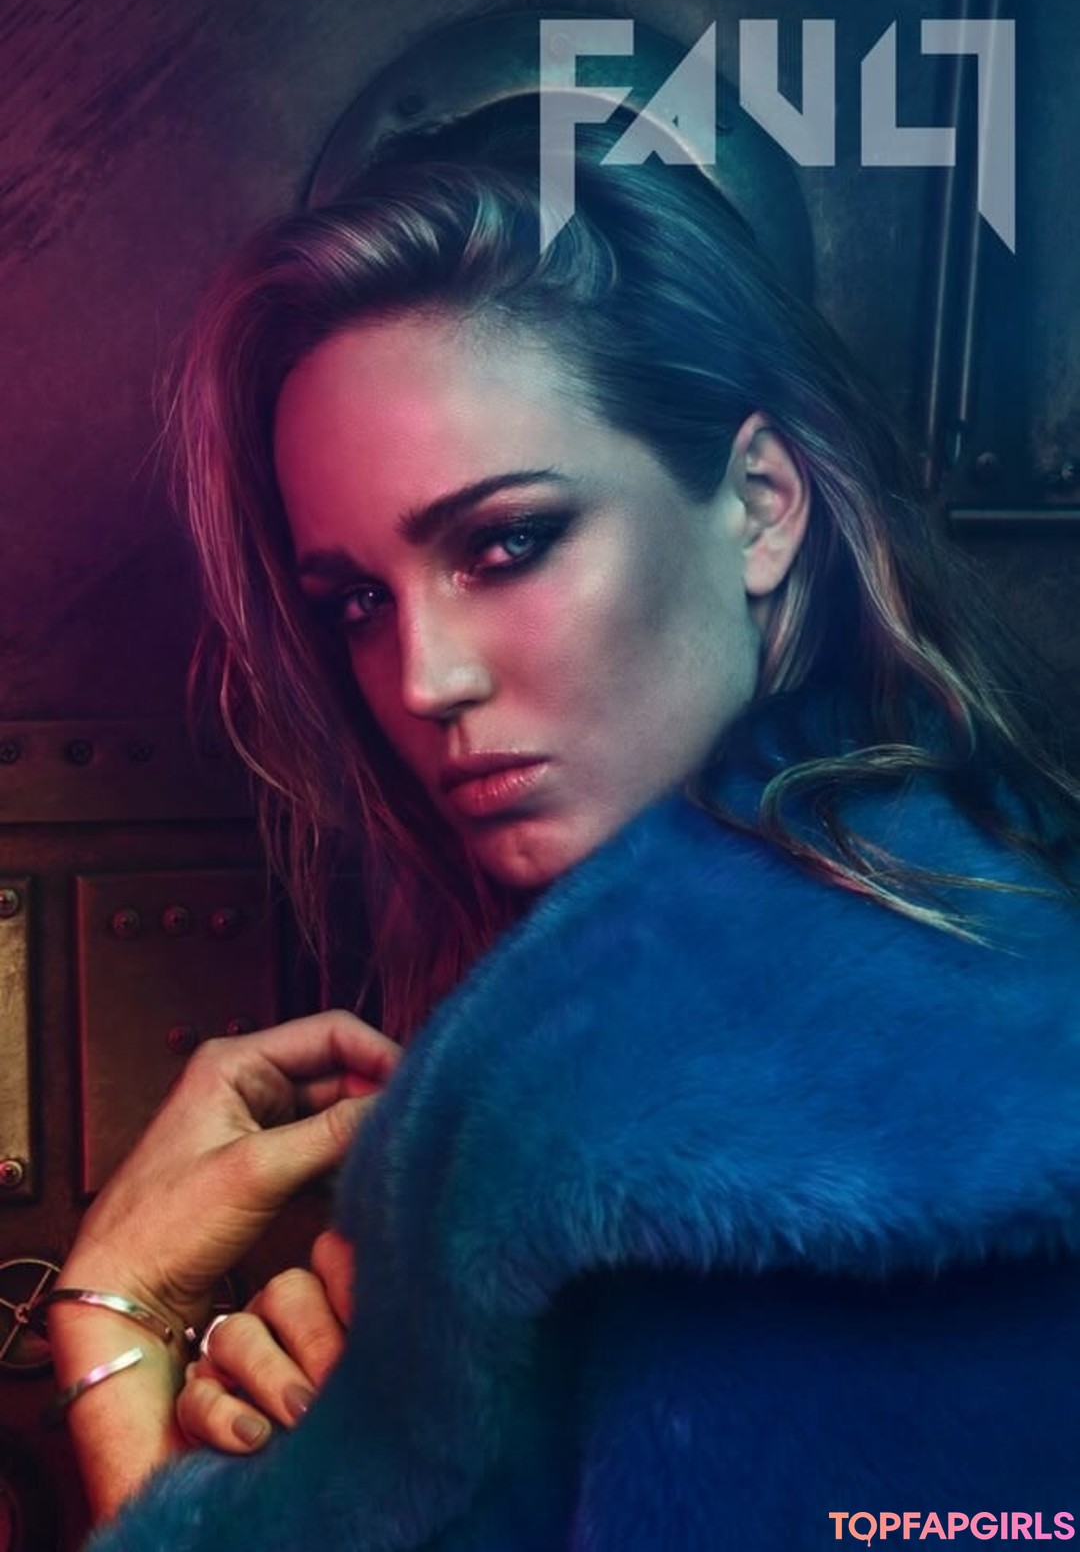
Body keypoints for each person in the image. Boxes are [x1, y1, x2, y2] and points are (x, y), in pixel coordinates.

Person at [48, 93, 1080, 1550]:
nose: (425, 679)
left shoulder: (737, 1141)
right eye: (357, 601)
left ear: (762, 505)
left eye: (508, 541)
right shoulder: (962, 930)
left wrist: (116, 1347)